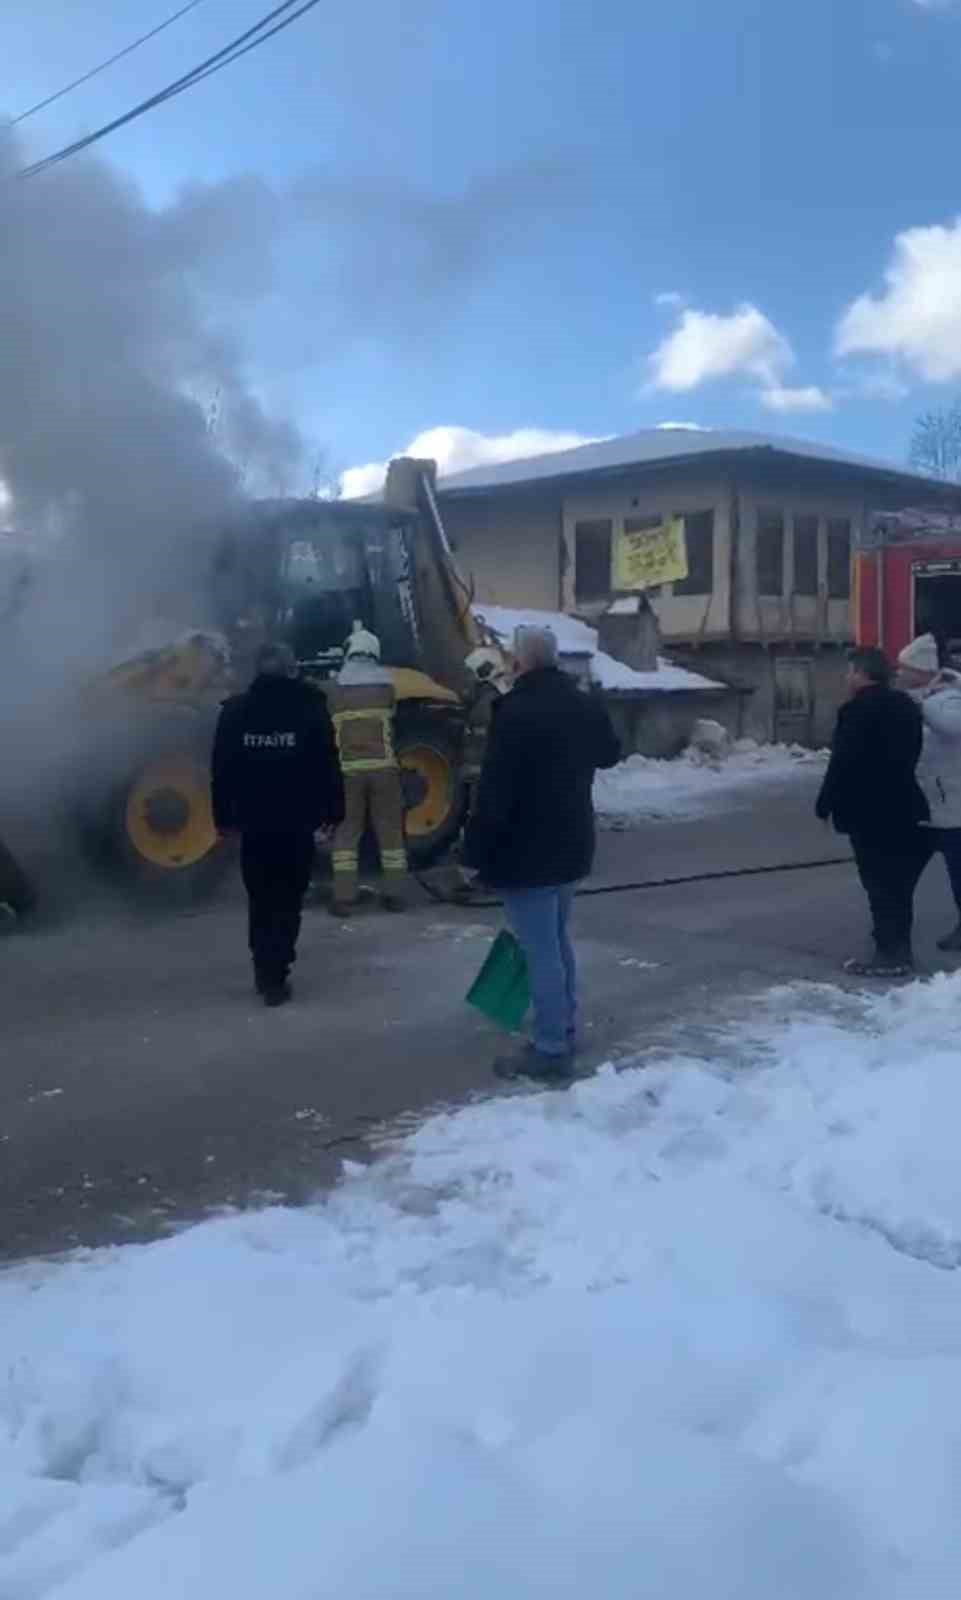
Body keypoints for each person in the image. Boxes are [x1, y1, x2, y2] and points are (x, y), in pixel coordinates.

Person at [464, 624, 621, 1079]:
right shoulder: (581, 703)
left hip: (526, 851)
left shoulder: (515, 711)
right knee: (554, 941)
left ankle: (551, 1047)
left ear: (520, 661)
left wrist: (475, 851)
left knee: (541, 950)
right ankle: (563, 1026)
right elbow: (609, 754)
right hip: (571, 843)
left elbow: (495, 794)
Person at [211, 641, 345, 1007]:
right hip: (296, 824)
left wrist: (223, 819)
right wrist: (333, 812)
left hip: (255, 826)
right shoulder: (310, 708)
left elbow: (221, 771)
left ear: (256, 670)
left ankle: (263, 966)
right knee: (289, 898)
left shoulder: (235, 712)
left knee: (261, 897)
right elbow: (327, 764)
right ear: (290, 669)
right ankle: (277, 971)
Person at [816, 645, 928, 978]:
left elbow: (843, 762)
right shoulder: (907, 706)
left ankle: (888, 954)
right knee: (898, 884)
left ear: (862, 674)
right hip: (905, 805)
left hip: (868, 811)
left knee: (878, 883)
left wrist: (824, 803)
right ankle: (900, 948)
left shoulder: (856, 711)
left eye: (850, 671)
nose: (846, 677)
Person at [327, 622, 409, 917]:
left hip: (348, 770)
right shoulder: (386, 685)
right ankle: (396, 895)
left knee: (347, 832)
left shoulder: (334, 687)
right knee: (389, 833)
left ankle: (344, 898)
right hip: (384, 769)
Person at [896, 632, 961, 951]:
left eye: (904, 668)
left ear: (920, 670)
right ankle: (893, 923)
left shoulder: (948, 698)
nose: (899, 673)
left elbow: (953, 726)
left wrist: (923, 703)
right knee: (905, 872)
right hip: (930, 807)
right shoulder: (930, 697)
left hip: (953, 807)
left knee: (959, 875)